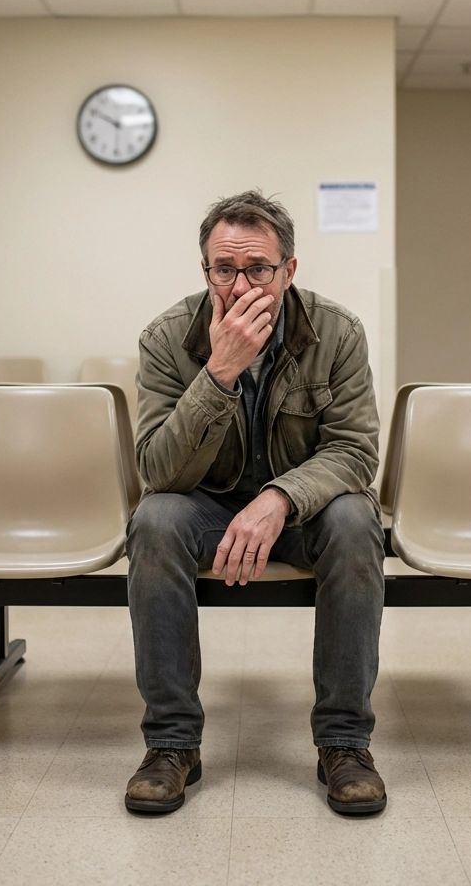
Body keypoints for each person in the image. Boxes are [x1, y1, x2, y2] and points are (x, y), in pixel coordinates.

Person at [123, 190, 387, 816]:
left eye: (258, 269)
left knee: (355, 518)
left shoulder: (339, 332)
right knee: (153, 520)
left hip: (300, 516)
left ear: (289, 270)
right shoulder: (166, 338)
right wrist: (217, 374)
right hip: (205, 511)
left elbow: (354, 452)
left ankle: (344, 743)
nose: (241, 284)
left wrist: (279, 497)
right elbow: (158, 471)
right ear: (206, 270)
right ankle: (172, 743)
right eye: (224, 269)